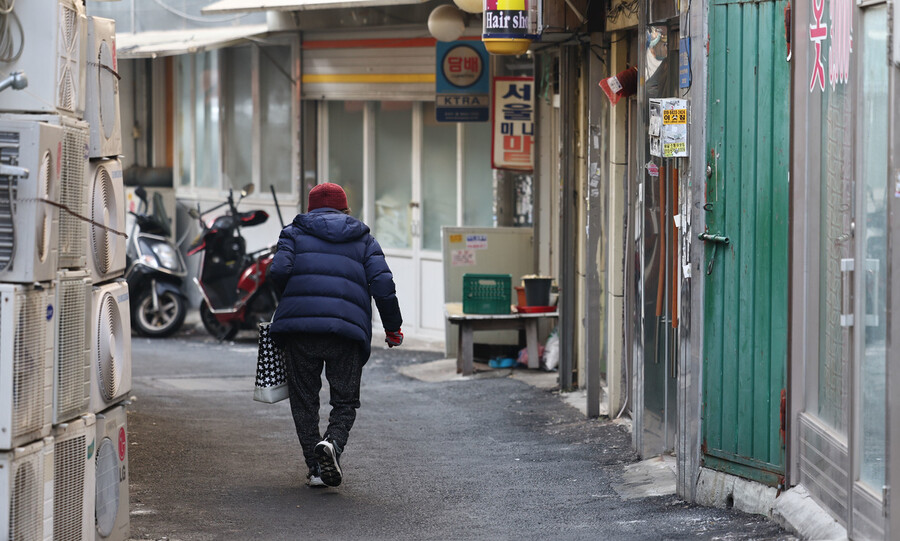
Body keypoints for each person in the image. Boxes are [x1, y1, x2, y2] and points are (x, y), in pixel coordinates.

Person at [268, 182, 403, 488]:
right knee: (344, 400)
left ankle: (315, 467)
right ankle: (333, 443)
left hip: (299, 331)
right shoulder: (364, 239)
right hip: (346, 330)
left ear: (310, 209)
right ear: (346, 210)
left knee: (304, 400)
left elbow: (278, 271)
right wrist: (393, 328)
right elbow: (383, 286)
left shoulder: (293, 233)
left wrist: (290, 297)